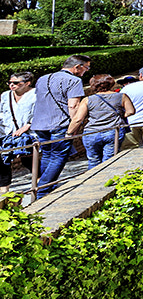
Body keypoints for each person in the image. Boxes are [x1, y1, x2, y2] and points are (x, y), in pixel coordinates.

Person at [29, 55, 92, 197]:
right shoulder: (74, 80)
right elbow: (73, 105)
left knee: (47, 154)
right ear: (77, 67)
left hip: (40, 123)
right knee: (58, 156)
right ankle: (43, 190)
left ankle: (47, 186)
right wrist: (74, 127)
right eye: (86, 68)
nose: (86, 71)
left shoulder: (43, 78)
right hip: (60, 123)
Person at [81, 74, 134, 169]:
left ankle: (93, 181)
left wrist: (69, 132)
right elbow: (131, 111)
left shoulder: (87, 100)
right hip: (113, 131)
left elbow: (78, 119)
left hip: (91, 132)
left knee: (93, 160)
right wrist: (121, 116)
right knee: (109, 160)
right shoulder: (122, 96)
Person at [0, 71, 38, 188]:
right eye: (10, 83)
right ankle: (4, 191)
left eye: (16, 83)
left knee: (29, 160)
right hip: (6, 133)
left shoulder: (36, 95)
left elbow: (40, 113)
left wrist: (28, 125)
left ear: (28, 83)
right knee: (3, 162)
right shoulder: (5, 95)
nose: (12, 85)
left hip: (27, 134)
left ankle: (41, 186)